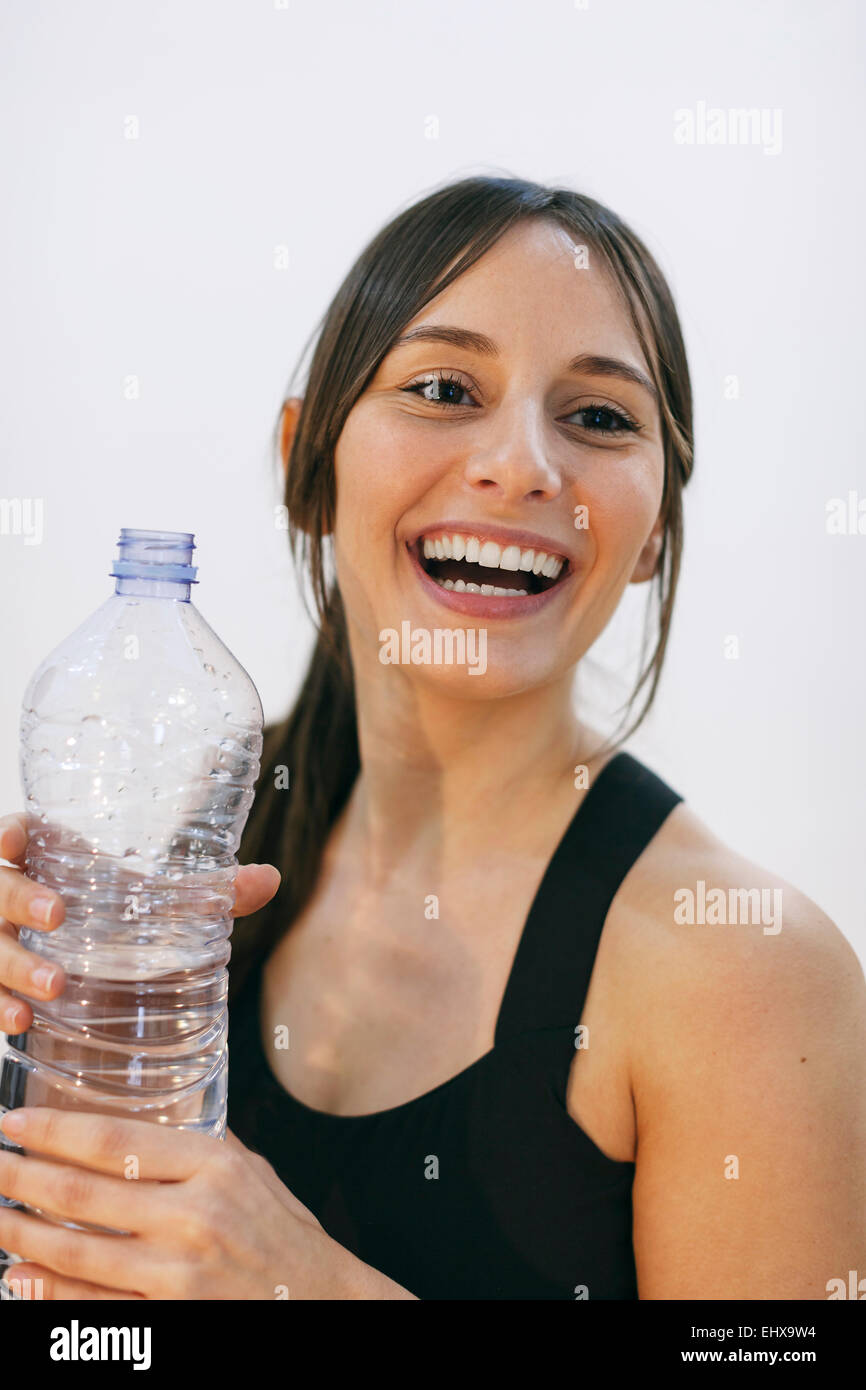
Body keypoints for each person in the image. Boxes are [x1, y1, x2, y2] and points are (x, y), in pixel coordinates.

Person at [0, 176, 863, 1300]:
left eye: (597, 416)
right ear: (307, 462)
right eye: (445, 387)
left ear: (655, 529)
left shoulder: (744, 973)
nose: (522, 466)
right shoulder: (211, 819)